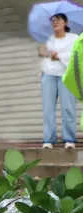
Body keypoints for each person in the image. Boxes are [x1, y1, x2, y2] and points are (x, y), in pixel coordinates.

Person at [38, 12, 79, 149]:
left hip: (66, 75)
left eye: (58, 20)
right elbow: (41, 51)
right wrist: (48, 53)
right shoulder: (49, 39)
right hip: (48, 74)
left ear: (65, 23)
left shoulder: (73, 38)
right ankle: (48, 140)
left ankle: (69, 139)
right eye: (52, 20)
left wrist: (59, 56)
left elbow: (78, 53)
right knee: (48, 108)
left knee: (68, 107)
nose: (54, 22)